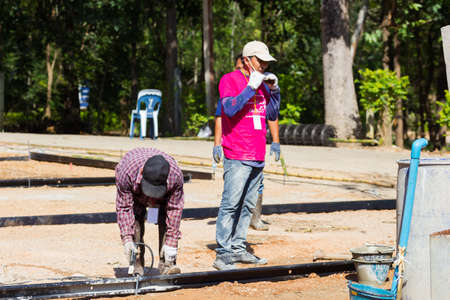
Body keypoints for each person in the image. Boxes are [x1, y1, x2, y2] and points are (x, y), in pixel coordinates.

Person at [213, 41, 281, 270]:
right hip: (237, 153)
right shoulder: (229, 80)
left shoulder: (262, 83)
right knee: (231, 204)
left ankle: (239, 248)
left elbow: (271, 113)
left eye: (265, 62)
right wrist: (250, 88)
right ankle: (223, 253)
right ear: (246, 60)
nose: (263, 65)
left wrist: (274, 91)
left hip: (257, 153)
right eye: (259, 61)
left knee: (248, 206)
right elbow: (229, 109)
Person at [115, 148, 184, 276]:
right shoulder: (127, 173)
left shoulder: (175, 177)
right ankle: (136, 263)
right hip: (136, 193)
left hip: (164, 195)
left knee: (165, 219)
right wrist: (127, 239)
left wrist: (172, 244)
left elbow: (174, 210)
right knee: (135, 219)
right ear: (142, 172)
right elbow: (124, 207)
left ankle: (167, 264)